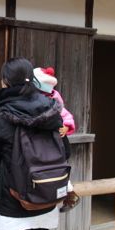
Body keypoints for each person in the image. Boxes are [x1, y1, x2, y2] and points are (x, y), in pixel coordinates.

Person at [0, 57, 64, 230]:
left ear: (6, 82)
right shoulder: (51, 110)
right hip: (44, 199)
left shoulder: (1, 115)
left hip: (12, 204)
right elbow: (64, 151)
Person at [33, 66, 80, 212]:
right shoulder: (41, 99)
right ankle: (70, 195)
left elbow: (65, 115)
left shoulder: (54, 99)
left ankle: (69, 195)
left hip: (56, 142)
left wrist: (66, 127)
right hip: (52, 144)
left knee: (57, 168)